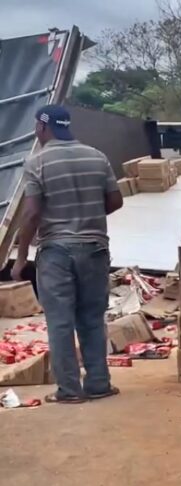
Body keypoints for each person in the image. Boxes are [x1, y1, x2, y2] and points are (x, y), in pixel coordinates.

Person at [12, 105, 124, 404]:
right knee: (91, 317)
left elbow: (32, 213)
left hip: (56, 252)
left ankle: (70, 390)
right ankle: (99, 384)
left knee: (61, 322)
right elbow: (116, 200)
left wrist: (22, 257)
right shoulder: (96, 156)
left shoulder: (37, 163)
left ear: (41, 127)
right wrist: (86, 215)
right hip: (95, 249)